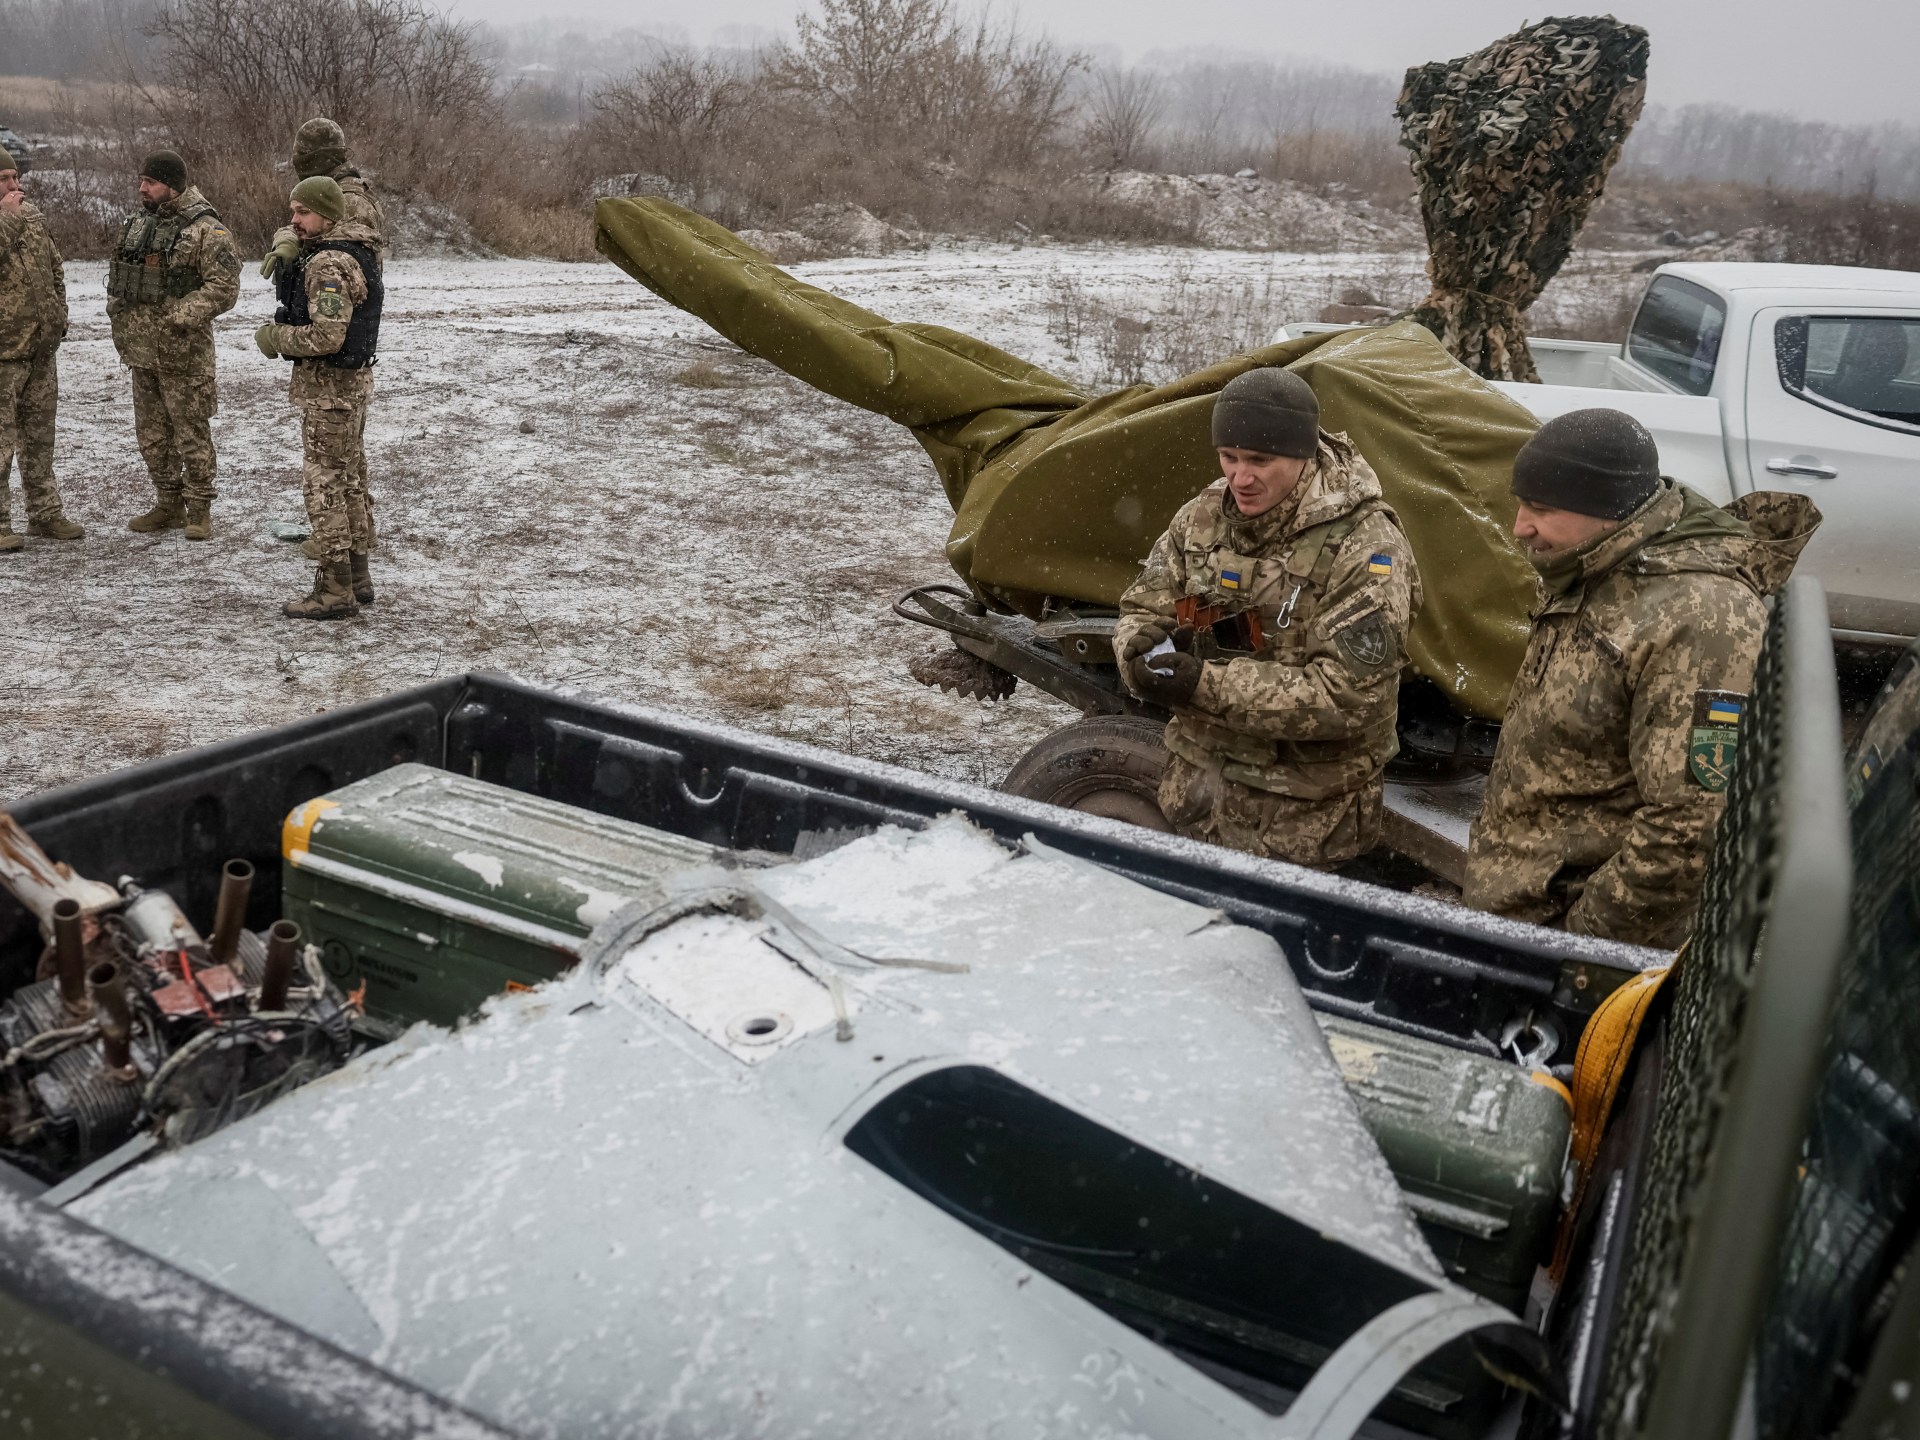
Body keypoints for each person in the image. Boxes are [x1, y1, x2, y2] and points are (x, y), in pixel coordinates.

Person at [1462, 408, 1820, 948]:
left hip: (1573, 943)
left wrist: (1582, 943)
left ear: (1607, 508)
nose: (1520, 527)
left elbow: (1691, 829)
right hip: (1518, 909)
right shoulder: (1593, 566)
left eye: (1540, 508)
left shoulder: (1703, 620)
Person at [1111, 367, 1422, 869]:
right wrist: (1138, 656)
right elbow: (1142, 606)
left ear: (1303, 456)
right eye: (1228, 457)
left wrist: (1200, 685)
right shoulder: (1200, 517)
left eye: (1260, 460)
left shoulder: (1366, 546)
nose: (1240, 477)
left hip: (1301, 827)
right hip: (1196, 797)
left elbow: (1347, 697)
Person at [255, 176, 382, 620]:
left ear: (327, 215)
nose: (294, 220)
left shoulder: (328, 265)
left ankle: (334, 588)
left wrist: (277, 337)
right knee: (350, 481)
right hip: (349, 388)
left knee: (324, 484)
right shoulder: (356, 248)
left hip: (331, 393)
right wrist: (289, 240)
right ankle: (358, 577)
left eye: (302, 212)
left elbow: (328, 336)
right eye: (292, 211)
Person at [105, 151, 240, 540]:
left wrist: (180, 315)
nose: (141, 188)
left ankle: (199, 510)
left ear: (173, 185)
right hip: (142, 352)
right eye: (141, 180)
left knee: (190, 431)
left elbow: (224, 288)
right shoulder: (139, 225)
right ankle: (168, 503)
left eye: (150, 181)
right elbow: (123, 278)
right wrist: (118, 314)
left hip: (184, 355)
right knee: (152, 435)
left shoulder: (206, 230)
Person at [0, 143, 82, 552]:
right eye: (4, 179)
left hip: (39, 349)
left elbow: (55, 269)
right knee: (1, 442)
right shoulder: (13, 220)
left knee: (39, 438)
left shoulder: (31, 218)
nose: (15, 185)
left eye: (15, 177)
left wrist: (58, 315)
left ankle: (45, 514)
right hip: (3, 353)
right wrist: (7, 222)